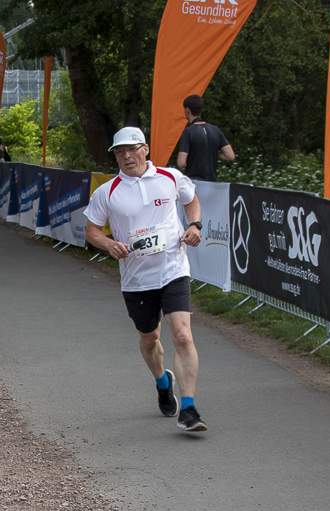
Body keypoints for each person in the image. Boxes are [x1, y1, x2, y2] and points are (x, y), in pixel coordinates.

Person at [84, 127, 208, 432]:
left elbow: (192, 200)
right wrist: (109, 244)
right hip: (137, 280)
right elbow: (92, 231)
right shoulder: (107, 191)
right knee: (150, 339)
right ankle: (163, 382)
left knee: (182, 335)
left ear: (146, 149)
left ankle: (189, 409)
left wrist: (195, 225)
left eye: (132, 150)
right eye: (119, 152)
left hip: (173, 269)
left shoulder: (169, 177)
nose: (126, 157)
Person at [176, 94, 235, 182]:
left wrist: (195, 155)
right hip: (212, 184)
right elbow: (230, 156)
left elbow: (181, 163)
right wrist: (210, 152)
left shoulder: (188, 132)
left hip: (194, 183)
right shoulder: (215, 130)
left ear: (187, 110)